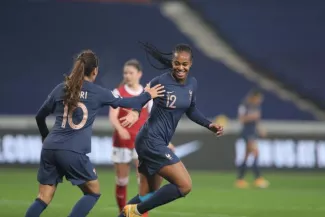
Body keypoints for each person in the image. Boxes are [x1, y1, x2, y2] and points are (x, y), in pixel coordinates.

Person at [24, 50, 165, 217]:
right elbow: (129, 102)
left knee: (43, 197)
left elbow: (40, 116)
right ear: (95, 71)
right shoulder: (97, 92)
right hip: (73, 151)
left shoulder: (61, 89)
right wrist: (148, 94)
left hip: (49, 148)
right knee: (93, 192)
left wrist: (45, 136)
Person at [121, 42, 224, 217]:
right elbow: (142, 99)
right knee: (185, 185)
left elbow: (191, 110)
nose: (180, 67)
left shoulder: (192, 84)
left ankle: (130, 212)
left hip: (155, 142)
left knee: (146, 197)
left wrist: (209, 124)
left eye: (185, 64)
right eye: (177, 63)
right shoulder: (161, 81)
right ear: (172, 62)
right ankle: (135, 212)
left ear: (190, 64)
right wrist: (135, 112)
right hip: (150, 141)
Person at [109, 59, 175, 216]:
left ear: (139, 74)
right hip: (122, 143)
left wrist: (166, 141)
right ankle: (122, 212)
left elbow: (154, 120)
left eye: (131, 72)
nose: (127, 76)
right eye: (125, 73)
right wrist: (119, 129)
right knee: (122, 181)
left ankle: (141, 213)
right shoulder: (117, 93)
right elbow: (113, 116)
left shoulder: (147, 94)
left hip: (141, 143)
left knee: (143, 182)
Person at [236, 89, 269, 189]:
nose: (260, 101)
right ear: (254, 97)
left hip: (253, 132)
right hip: (247, 132)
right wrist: (252, 116)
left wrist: (260, 129)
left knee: (247, 156)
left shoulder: (256, 106)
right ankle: (258, 178)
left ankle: (240, 179)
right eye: (259, 99)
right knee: (255, 153)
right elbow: (241, 119)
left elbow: (257, 121)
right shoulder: (245, 105)